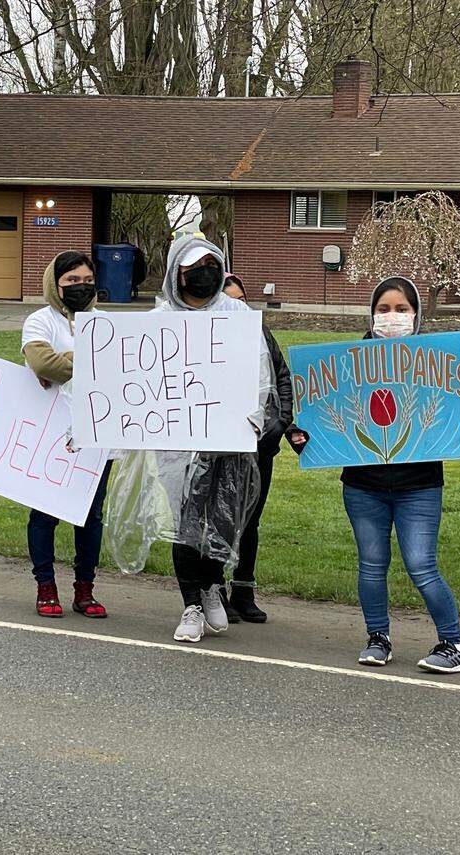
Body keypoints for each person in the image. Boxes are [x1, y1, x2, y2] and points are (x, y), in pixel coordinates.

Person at [287, 277, 460, 674]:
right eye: (383, 309)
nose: (392, 317)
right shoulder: (346, 361)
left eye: (401, 309)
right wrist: (305, 440)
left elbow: (447, 416)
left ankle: (453, 642)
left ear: (417, 314)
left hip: (420, 485)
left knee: (421, 564)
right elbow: (330, 421)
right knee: (371, 564)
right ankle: (377, 637)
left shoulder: (434, 359)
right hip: (364, 487)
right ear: (371, 313)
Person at [155, 236, 271, 645]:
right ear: (177, 273)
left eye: (210, 263)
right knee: (185, 522)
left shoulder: (236, 313)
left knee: (221, 518)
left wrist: (250, 421)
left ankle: (211, 585)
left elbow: (259, 373)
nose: (203, 272)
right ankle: (190, 603)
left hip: (226, 439)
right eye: (193, 266)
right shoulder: (161, 318)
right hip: (176, 441)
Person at [22, 250, 112, 619]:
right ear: (55, 283)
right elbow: (43, 363)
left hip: (97, 433)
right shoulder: (39, 322)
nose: (80, 287)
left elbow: (118, 370)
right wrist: (92, 358)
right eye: (72, 280)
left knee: (90, 517)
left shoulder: (105, 321)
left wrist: (67, 362)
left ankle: (84, 588)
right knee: (44, 514)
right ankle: (45, 586)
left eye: (87, 280)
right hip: (51, 433)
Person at [221, 273, 293, 623]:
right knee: (218, 519)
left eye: (241, 301)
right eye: (228, 301)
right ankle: (214, 589)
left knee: (251, 520)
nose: (236, 308)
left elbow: (283, 376)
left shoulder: (261, 335)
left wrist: (280, 422)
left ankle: (244, 590)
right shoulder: (208, 340)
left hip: (259, 444)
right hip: (218, 448)